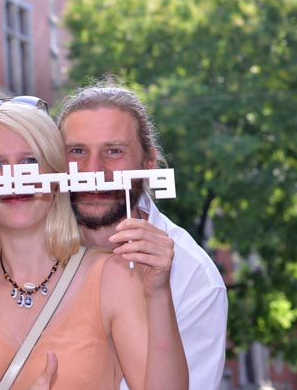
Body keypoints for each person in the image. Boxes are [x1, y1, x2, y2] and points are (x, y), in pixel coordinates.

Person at [0, 98, 188, 389]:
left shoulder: (113, 276)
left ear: (56, 176)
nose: (15, 178)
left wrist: (159, 292)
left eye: (30, 161)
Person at [55, 79, 228, 390]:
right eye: (77, 151)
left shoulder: (194, 279)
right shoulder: (31, 251)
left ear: (148, 162)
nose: (93, 170)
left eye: (114, 150)